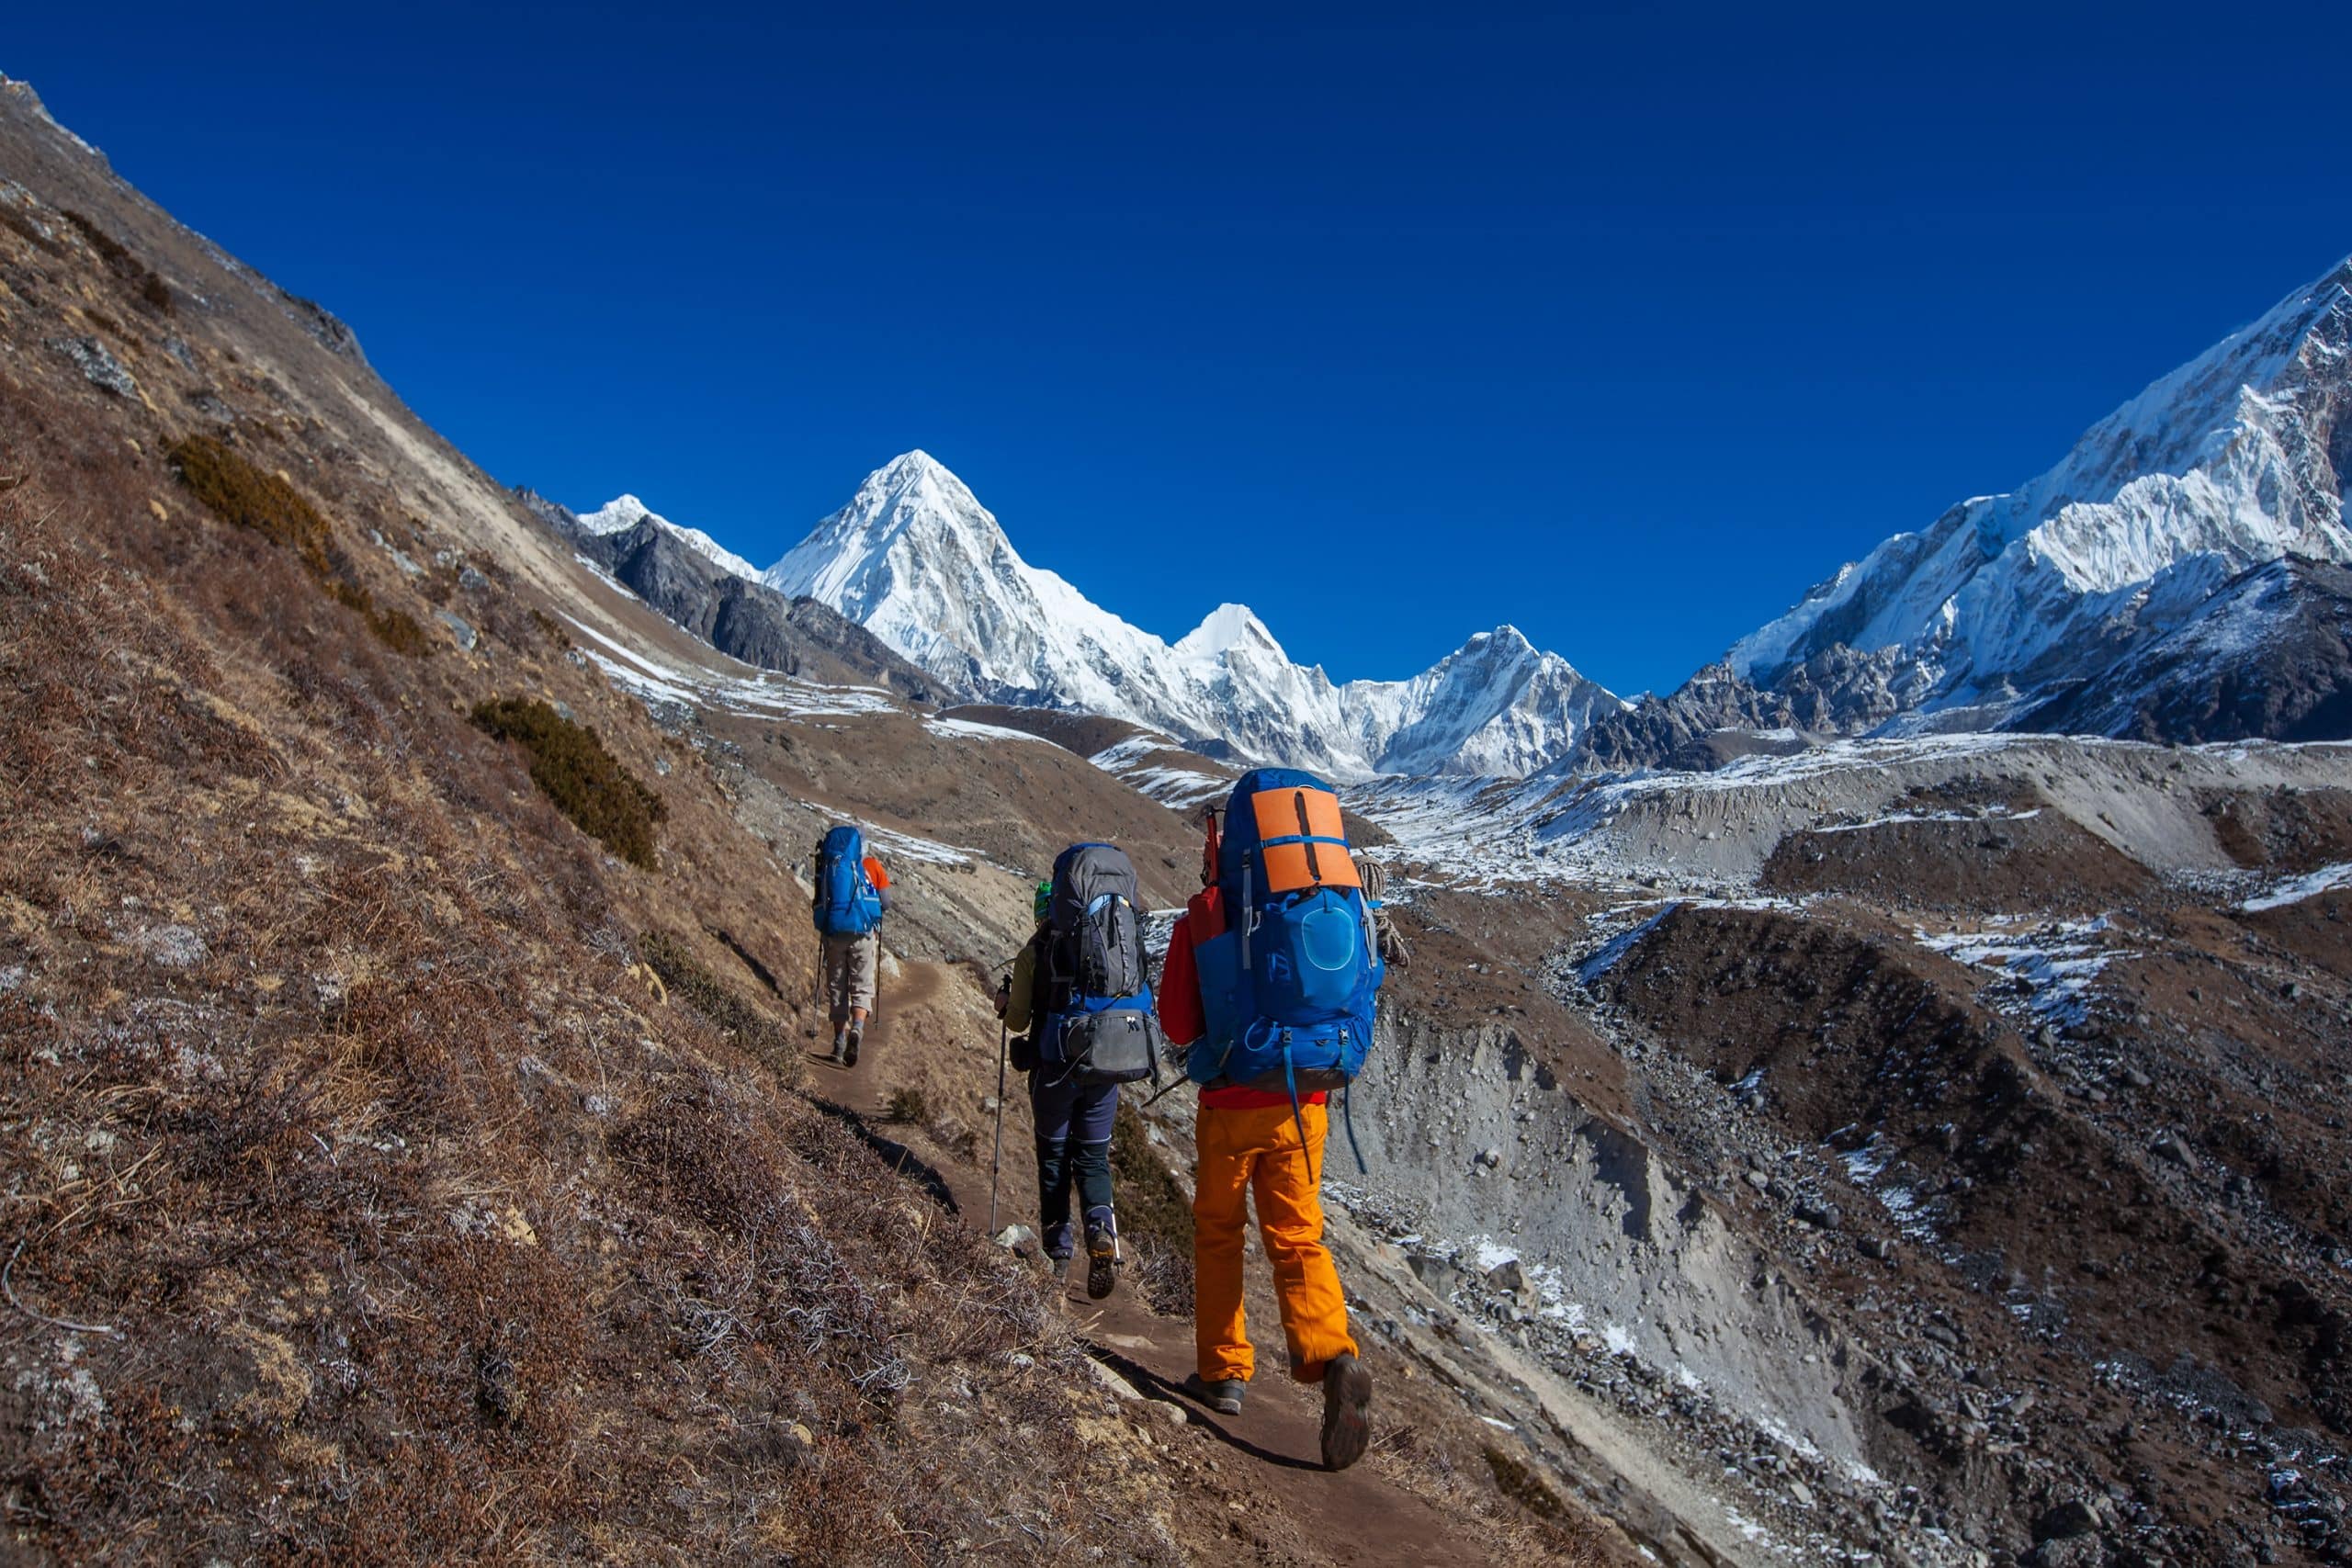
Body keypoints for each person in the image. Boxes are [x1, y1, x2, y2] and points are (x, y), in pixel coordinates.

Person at [1158, 782, 1377, 1472]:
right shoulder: (1327, 897)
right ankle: (1333, 1353)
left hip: (1230, 1104)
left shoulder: (1208, 913)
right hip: (1303, 1103)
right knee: (1298, 1234)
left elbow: (1178, 1021)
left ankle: (1223, 1370)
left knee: (1220, 1232)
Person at [996, 865, 1132, 1300]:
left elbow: (1017, 1020)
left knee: (1054, 1158)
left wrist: (1004, 1000)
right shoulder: (1108, 946)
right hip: (1103, 1070)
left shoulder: (1033, 953)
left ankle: (1057, 1256)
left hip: (1053, 1071)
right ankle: (1102, 1233)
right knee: (1093, 1159)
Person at [812, 825, 891, 1066]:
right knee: (862, 985)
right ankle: (857, 1028)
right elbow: (886, 903)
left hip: (834, 933)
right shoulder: (872, 866)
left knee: (837, 985)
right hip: (862, 934)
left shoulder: (831, 866)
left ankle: (839, 1041)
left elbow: (818, 899)